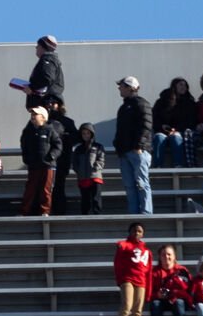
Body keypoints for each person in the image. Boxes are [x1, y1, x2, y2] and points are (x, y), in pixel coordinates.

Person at [113, 77, 153, 215]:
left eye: (122, 86)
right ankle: (134, 213)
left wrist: (139, 145)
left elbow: (146, 125)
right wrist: (118, 145)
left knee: (142, 183)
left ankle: (146, 212)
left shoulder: (141, 103)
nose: (119, 88)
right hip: (125, 151)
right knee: (130, 186)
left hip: (138, 151)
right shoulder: (124, 107)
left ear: (131, 87)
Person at [19, 105, 62, 216]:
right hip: (33, 166)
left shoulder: (50, 130)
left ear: (43, 117)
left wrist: (51, 156)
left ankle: (45, 211)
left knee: (46, 190)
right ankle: (25, 211)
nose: (33, 116)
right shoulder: (27, 131)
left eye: (35, 114)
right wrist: (26, 158)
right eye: (32, 114)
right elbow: (24, 145)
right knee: (30, 189)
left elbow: (58, 146)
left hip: (48, 166)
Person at [114, 222, 152, 316]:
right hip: (127, 279)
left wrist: (149, 291)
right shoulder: (124, 245)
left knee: (138, 309)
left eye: (139, 231)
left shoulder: (147, 251)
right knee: (127, 305)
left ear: (143, 234)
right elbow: (117, 263)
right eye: (134, 230)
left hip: (141, 281)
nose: (136, 233)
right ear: (129, 232)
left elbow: (149, 272)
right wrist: (120, 280)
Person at [151, 79, 196, 168]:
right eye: (180, 85)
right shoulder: (162, 102)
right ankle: (157, 166)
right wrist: (161, 126)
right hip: (163, 131)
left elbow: (191, 121)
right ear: (174, 86)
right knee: (159, 137)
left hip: (180, 132)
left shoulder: (190, 103)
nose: (183, 87)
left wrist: (176, 129)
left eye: (185, 85)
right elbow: (154, 118)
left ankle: (178, 165)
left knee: (175, 137)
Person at [148, 245, 191, 316]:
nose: (166, 257)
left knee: (179, 303)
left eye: (169, 254)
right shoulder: (154, 272)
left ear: (174, 256)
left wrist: (176, 293)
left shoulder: (182, 270)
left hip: (177, 300)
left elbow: (189, 289)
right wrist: (157, 295)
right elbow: (147, 293)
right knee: (155, 304)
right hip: (161, 301)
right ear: (159, 257)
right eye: (163, 255)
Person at [46, 95, 78, 214]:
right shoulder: (42, 120)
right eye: (48, 102)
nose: (50, 105)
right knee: (45, 188)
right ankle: (46, 212)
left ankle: (59, 212)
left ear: (59, 105)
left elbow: (76, 138)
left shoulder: (67, 122)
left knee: (59, 187)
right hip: (46, 161)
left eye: (53, 103)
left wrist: (64, 137)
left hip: (62, 160)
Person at [72, 123, 106, 214]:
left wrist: (95, 169)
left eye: (88, 133)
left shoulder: (98, 146)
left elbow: (101, 160)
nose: (86, 135)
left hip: (95, 177)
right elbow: (75, 163)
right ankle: (84, 216)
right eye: (83, 133)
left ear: (92, 134)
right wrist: (79, 171)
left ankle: (98, 216)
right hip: (83, 178)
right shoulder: (78, 149)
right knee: (85, 199)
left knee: (96, 198)